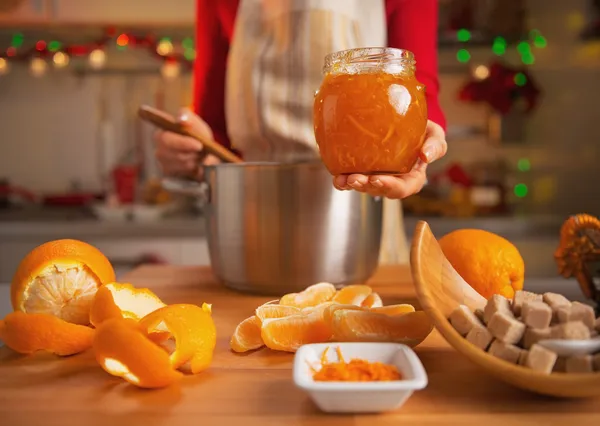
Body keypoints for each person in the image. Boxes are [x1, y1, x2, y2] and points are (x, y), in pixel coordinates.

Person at [155, 0, 448, 264]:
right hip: (257, 221)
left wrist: (420, 144)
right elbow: (214, 129)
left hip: (361, 218)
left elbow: (416, 90)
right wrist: (193, 144)